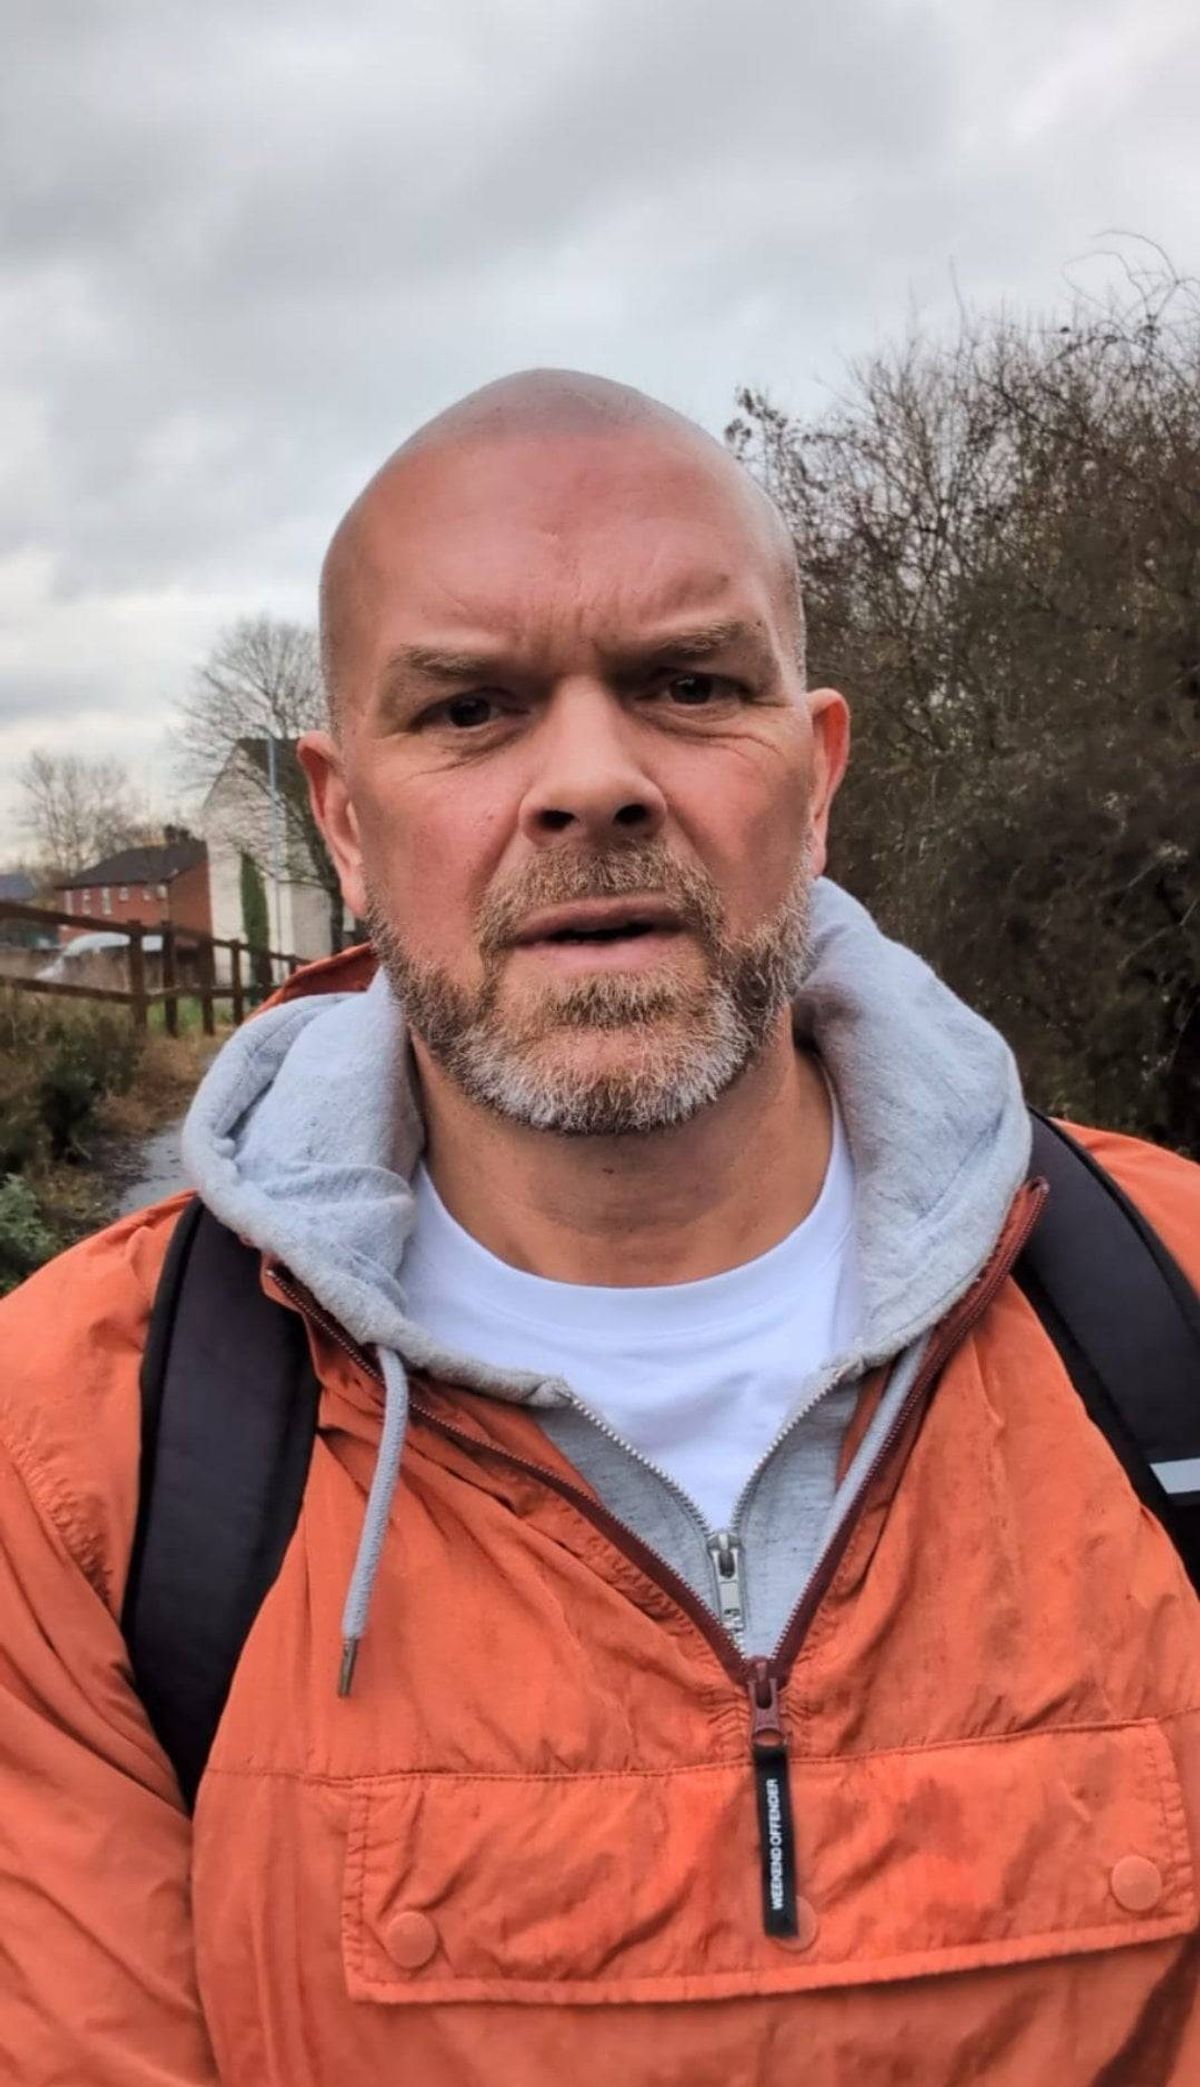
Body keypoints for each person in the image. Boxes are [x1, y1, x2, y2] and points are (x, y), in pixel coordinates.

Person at [1, 370, 1198, 2087]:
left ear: (818, 775)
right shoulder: (68, 1457)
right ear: (344, 820)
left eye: (689, 686)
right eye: (472, 710)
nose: (590, 783)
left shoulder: (1171, 1307)